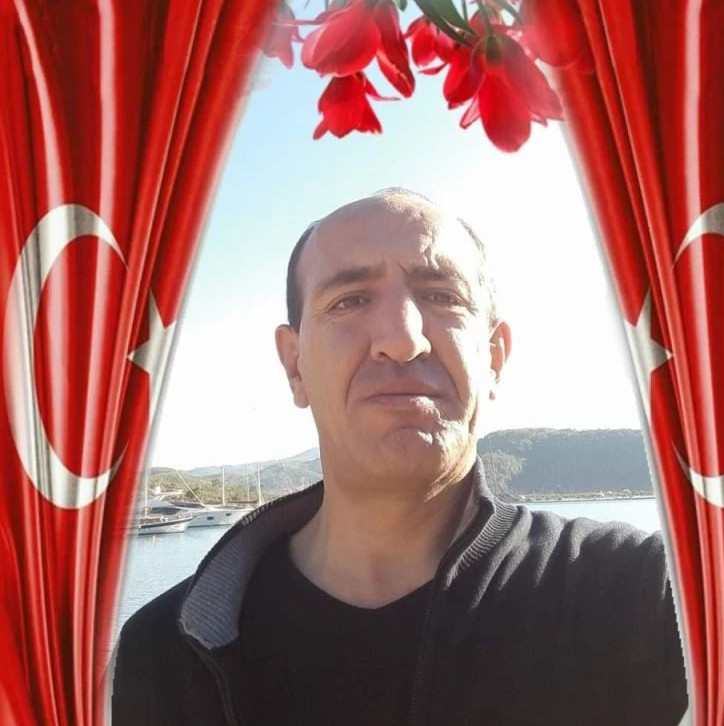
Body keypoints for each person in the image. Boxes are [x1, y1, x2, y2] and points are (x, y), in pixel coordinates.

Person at [112, 188, 689, 725]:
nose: (402, 337)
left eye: (442, 297)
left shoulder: (652, 598)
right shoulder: (162, 655)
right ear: (294, 365)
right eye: (350, 300)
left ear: (494, 358)